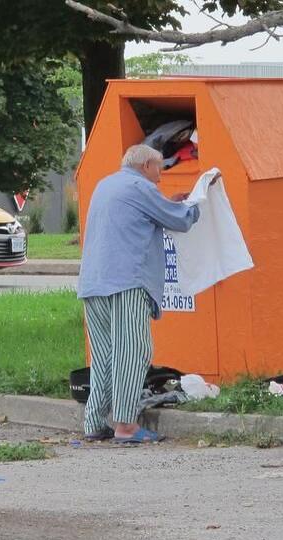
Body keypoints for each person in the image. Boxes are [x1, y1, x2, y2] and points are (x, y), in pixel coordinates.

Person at [76, 145, 201, 444]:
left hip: (93, 282)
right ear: (146, 166)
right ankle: (126, 426)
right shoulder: (140, 186)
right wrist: (199, 203)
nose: (160, 178)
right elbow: (181, 220)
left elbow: (140, 217)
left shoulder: (107, 184)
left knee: (105, 355)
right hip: (127, 282)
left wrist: (166, 204)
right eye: (158, 169)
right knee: (133, 352)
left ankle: (94, 422)